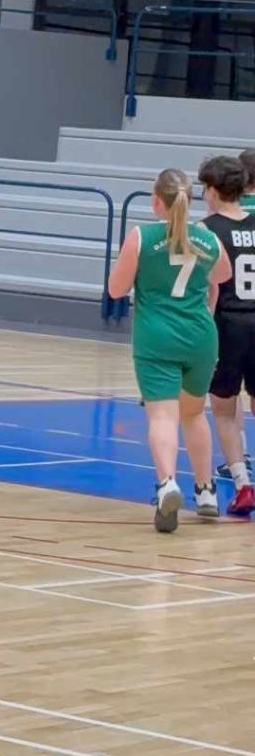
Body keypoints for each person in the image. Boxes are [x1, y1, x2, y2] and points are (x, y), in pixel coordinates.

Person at [108, 166, 230, 533]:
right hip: (201, 337)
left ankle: (167, 484)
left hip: (157, 337)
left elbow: (116, 289)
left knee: (162, 415)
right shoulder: (207, 238)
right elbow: (222, 276)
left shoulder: (142, 237)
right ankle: (206, 491)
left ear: (156, 202)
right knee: (194, 414)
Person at [198, 154, 255, 517]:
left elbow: (205, 286)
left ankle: (242, 484)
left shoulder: (205, 230)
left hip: (227, 324)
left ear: (213, 190)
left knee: (223, 408)